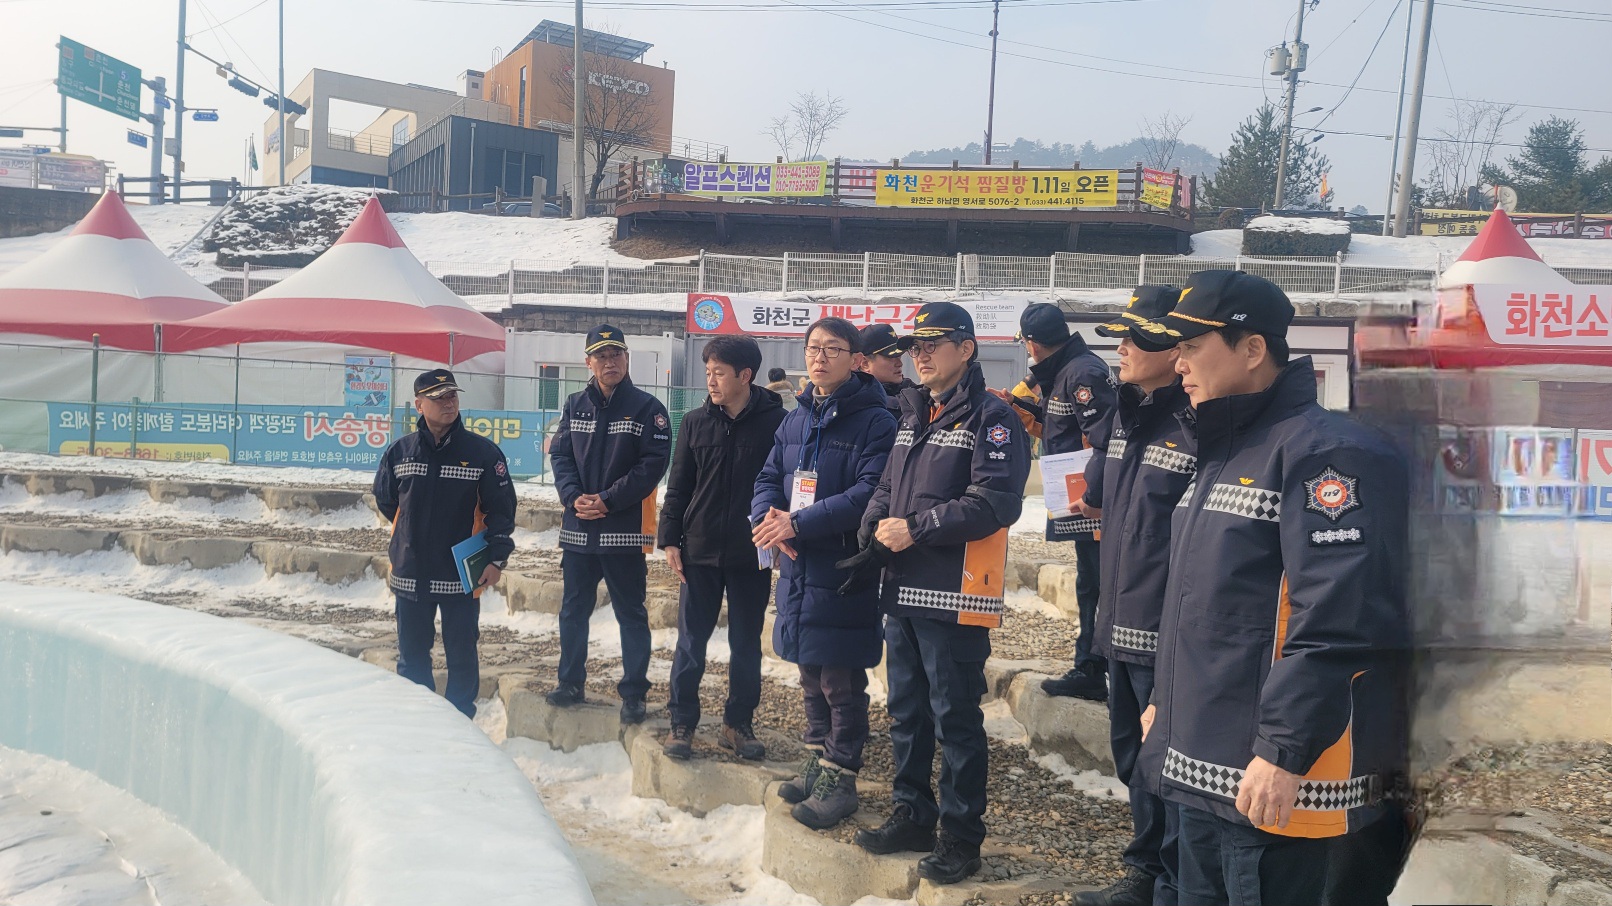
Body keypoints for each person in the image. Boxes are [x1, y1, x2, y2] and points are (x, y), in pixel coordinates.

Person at [1135, 270, 1412, 906]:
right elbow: (1208, 604)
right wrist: (1164, 700)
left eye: (1192, 346)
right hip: (1201, 759)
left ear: (1253, 348)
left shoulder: (1321, 454)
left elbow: (1337, 620)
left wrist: (1284, 751)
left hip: (1263, 774)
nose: (1177, 363)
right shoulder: (1224, 449)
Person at [843, 301, 1031, 885]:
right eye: (914, 347)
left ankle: (961, 836)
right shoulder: (912, 411)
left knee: (955, 719)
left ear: (966, 349)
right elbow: (888, 483)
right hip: (903, 589)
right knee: (906, 712)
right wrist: (871, 525)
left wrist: (915, 529)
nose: (919, 355)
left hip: (954, 595)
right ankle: (912, 814)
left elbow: (995, 502)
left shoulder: (992, 419)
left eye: (932, 344)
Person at [751, 317, 898, 829]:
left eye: (832, 349)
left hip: (841, 564)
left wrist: (798, 523)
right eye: (813, 348)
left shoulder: (876, 421)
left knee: (840, 675)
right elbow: (768, 476)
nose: (819, 357)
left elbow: (868, 493)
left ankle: (842, 773)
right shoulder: (796, 418)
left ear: (856, 360)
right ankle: (817, 756)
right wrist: (768, 520)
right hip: (797, 561)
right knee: (809, 667)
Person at [1072, 286, 1192, 906]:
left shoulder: (1197, 424)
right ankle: (1147, 866)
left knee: (1164, 763)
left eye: (1135, 338)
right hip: (1118, 619)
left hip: (1163, 628)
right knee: (1132, 757)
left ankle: (1166, 880)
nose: (1120, 349)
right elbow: (1107, 496)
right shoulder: (1126, 413)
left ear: (1175, 349)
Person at [658, 336, 787, 761]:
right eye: (708, 372)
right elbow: (678, 486)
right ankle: (682, 722)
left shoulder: (778, 423)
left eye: (719, 373)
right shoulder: (695, 422)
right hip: (699, 550)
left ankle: (738, 723)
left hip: (752, 552)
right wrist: (670, 540)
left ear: (745, 375)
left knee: (746, 643)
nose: (710, 381)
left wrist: (781, 534)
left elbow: (784, 484)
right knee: (691, 642)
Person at [373, 368, 517, 719]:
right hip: (411, 572)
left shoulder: (483, 453)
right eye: (438, 398)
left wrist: (496, 559)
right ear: (419, 405)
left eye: (452, 395)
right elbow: (387, 501)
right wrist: (411, 534)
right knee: (412, 658)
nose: (448, 403)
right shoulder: (400, 452)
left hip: (462, 575)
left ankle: (461, 723)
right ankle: (419, 723)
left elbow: (502, 511)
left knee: (462, 656)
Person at [547, 325, 672, 724]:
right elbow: (561, 456)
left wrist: (608, 499)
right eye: (601, 355)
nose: (609, 361)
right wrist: (573, 497)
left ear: (627, 358)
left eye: (616, 353)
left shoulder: (648, 409)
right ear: (589, 363)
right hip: (578, 530)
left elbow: (651, 466)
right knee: (572, 611)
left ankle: (634, 694)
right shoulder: (574, 405)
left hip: (622, 532)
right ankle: (570, 682)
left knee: (631, 614)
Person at [1014, 303, 1119, 702]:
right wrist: (1020, 406)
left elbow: (1105, 439)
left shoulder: (1083, 373)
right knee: (1090, 582)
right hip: (1080, 497)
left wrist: (1093, 496)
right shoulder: (1065, 371)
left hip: (1091, 501)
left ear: (1032, 344)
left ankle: (1094, 668)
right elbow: (1062, 425)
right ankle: (1090, 664)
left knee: (1097, 585)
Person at [858, 322, 919, 412]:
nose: (900, 364)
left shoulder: (917, 393)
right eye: (891, 358)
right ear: (865, 364)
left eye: (899, 356)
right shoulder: (857, 404)